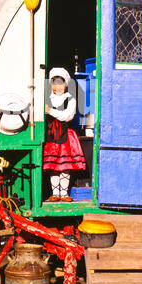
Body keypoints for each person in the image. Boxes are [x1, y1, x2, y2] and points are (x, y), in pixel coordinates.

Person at [43, 67, 86, 202]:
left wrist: (50, 111)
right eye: (55, 83)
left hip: (66, 136)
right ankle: (55, 193)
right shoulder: (47, 98)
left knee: (65, 166)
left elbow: (67, 116)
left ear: (66, 84)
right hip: (51, 136)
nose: (58, 86)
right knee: (54, 166)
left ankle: (64, 193)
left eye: (61, 83)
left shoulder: (70, 99)